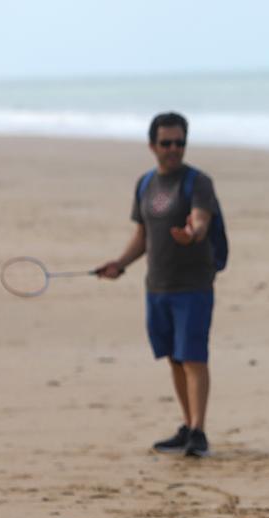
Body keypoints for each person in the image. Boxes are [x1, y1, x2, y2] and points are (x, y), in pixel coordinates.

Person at [96, 111, 221, 458]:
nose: (174, 149)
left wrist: (192, 234)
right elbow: (143, 234)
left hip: (193, 287)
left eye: (180, 142)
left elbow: (200, 221)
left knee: (194, 358)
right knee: (174, 359)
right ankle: (186, 424)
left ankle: (198, 432)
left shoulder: (198, 182)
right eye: (166, 143)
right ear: (152, 145)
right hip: (157, 287)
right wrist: (119, 264)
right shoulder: (145, 184)